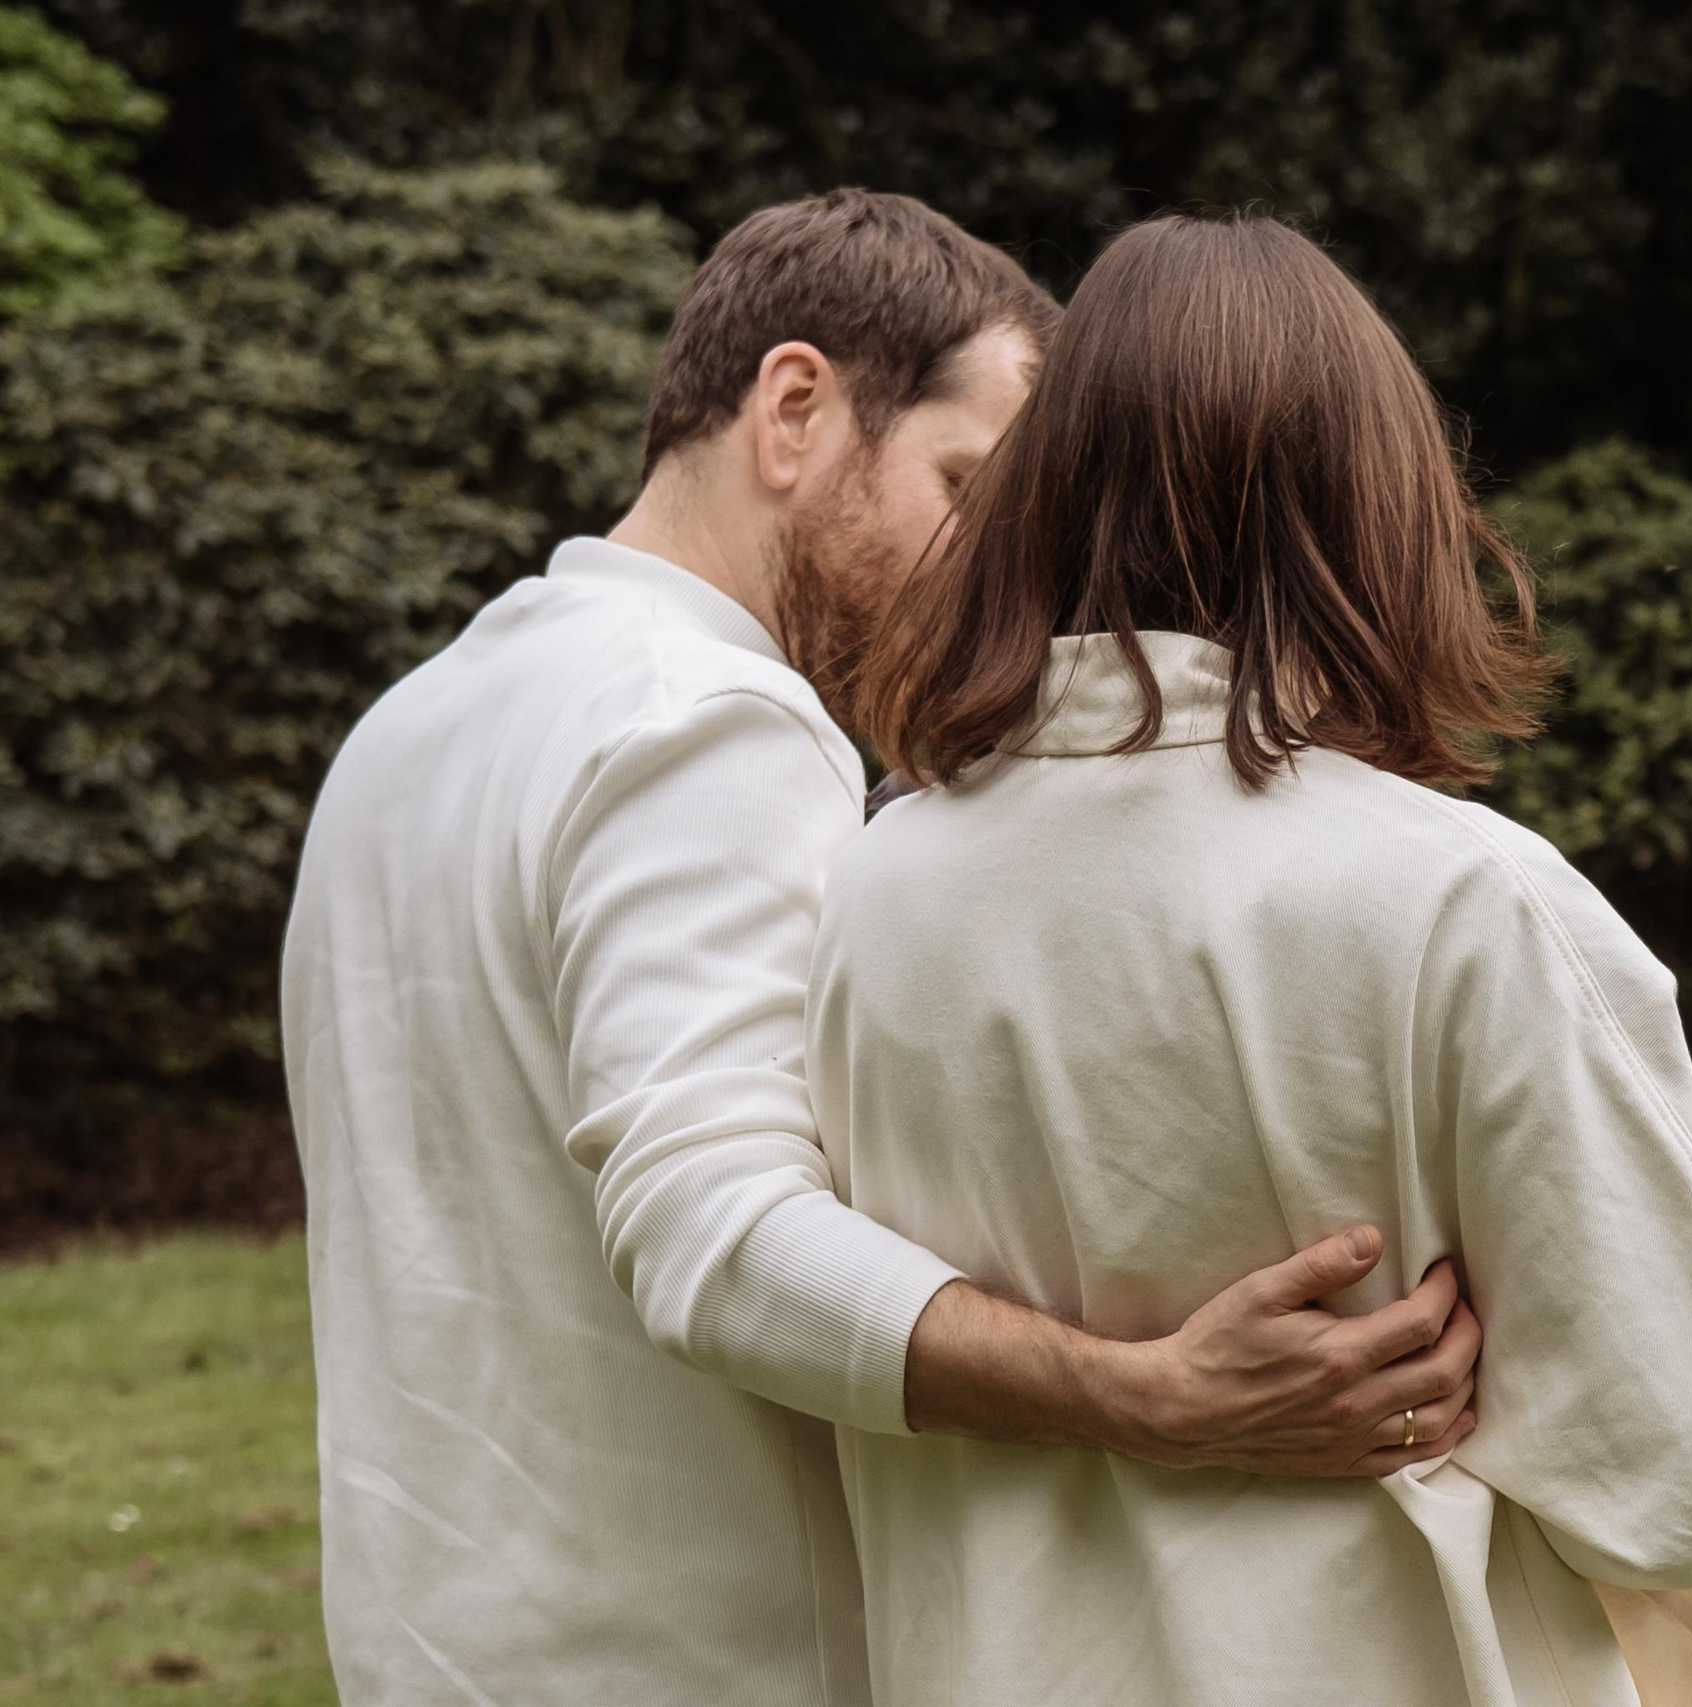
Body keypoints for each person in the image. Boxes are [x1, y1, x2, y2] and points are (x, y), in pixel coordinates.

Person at [279, 190, 1486, 1707]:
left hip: (435, 1646)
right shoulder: (714, 720)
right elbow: (709, 1231)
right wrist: (1144, 1395)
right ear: (796, 409)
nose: (995, 572)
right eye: (966, 488)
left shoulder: (415, 726)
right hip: (705, 1665)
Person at [811, 211, 1692, 1707]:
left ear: (1043, 497)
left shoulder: (872, 888)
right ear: (1378, 509)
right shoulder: (1470, 903)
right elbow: (1682, 1480)